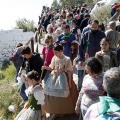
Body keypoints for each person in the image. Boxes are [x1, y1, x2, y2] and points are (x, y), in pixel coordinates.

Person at [42, 44, 78, 120]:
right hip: (54, 78)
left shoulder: (67, 59)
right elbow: (52, 68)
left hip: (63, 78)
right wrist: (46, 67)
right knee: (52, 95)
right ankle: (55, 111)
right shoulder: (54, 58)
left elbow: (69, 72)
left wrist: (70, 82)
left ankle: (63, 111)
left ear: (61, 51)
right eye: (54, 53)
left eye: (56, 52)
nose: (55, 54)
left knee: (64, 95)